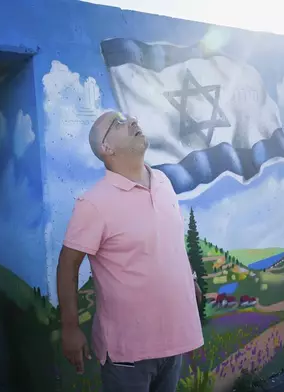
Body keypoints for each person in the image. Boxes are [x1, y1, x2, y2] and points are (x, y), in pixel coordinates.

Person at [56, 111, 204, 392]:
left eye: (129, 118)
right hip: (128, 353)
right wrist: (70, 327)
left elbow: (168, 239)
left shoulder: (163, 182)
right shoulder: (94, 203)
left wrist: (190, 278)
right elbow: (67, 264)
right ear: (106, 149)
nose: (133, 121)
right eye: (118, 123)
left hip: (174, 338)